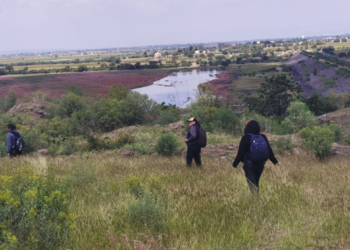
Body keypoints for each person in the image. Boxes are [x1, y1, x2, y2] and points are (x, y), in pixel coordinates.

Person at [232, 120, 278, 194]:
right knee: (256, 181)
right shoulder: (263, 137)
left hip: (249, 163)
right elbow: (269, 151)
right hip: (261, 163)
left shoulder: (246, 137)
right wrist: (275, 162)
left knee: (252, 182)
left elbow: (240, 153)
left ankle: (255, 199)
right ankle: (257, 197)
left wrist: (235, 164)